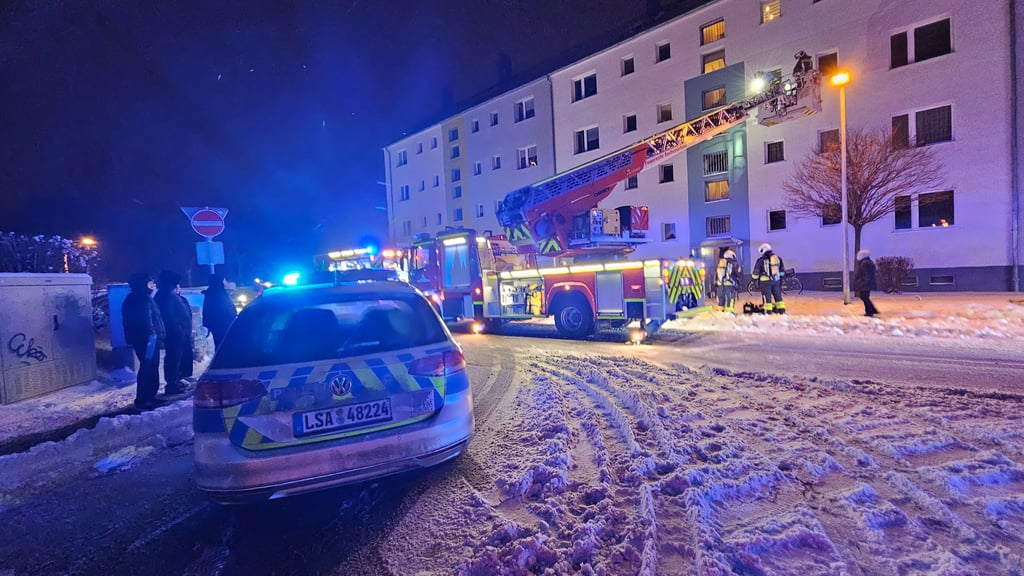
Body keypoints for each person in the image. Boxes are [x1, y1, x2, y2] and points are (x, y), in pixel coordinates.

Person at [121, 273, 166, 410]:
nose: (152, 286)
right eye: (149, 283)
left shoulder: (141, 298)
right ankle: (143, 399)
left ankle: (150, 396)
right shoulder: (140, 299)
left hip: (147, 339)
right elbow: (145, 321)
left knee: (151, 366)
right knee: (148, 367)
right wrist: (153, 336)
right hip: (147, 340)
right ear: (142, 284)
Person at [154, 270, 192, 395]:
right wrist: (179, 329)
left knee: (177, 357)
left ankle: (175, 380)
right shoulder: (166, 295)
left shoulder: (169, 293)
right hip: (174, 333)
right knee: (173, 358)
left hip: (178, 333)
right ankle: (172, 384)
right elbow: (169, 316)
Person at [202, 272, 238, 350]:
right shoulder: (220, 293)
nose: (225, 282)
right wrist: (233, 315)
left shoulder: (211, 292)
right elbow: (227, 309)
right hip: (223, 325)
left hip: (216, 325)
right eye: (224, 280)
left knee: (219, 344)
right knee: (224, 345)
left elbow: (206, 310)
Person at [752, 243, 786, 314]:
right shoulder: (778, 258)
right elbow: (782, 272)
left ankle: (768, 312)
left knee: (767, 297)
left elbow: (756, 273)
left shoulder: (761, 260)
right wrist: (779, 278)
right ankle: (781, 310)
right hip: (776, 281)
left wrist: (754, 280)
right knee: (778, 296)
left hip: (765, 282)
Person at [854, 249, 880, 317]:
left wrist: (863, 283)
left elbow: (866, 275)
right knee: (865, 297)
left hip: (866, 284)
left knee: (864, 297)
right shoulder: (867, 262)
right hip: (867, 283)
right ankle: (873, 309)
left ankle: (869, 311)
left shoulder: (865, 263)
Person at [715, 249, 742, 314]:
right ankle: (729, 312)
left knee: (721, 299)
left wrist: (716, 283)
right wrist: (739, 283)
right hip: (730, 285)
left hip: (720, 285)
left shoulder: (720, 263)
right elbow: (739, 274)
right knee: (730, 299)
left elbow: (716, 274)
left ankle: (720, 312)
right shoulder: (734, 264)